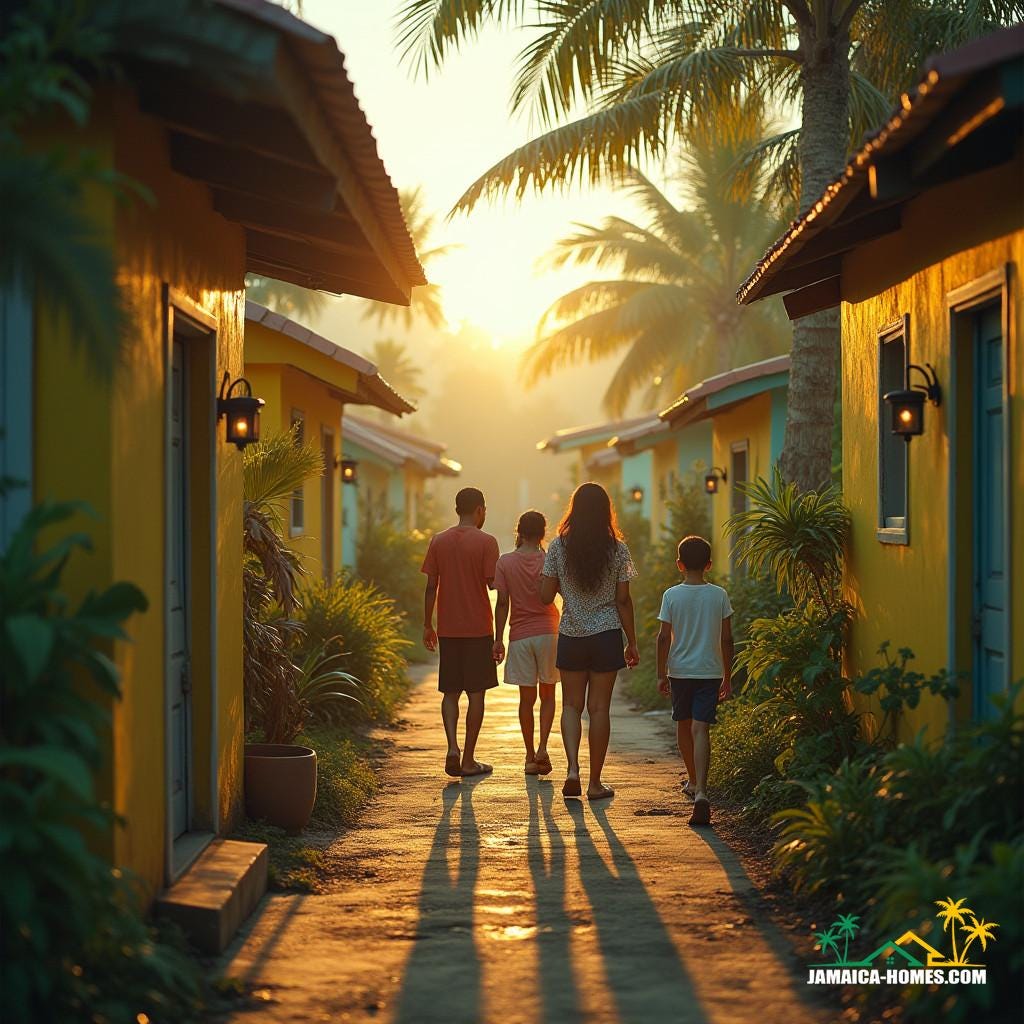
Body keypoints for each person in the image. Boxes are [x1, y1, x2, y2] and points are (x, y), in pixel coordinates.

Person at [540, 482, 639, 801]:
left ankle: (572, 770)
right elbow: (624, 600)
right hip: (606, 635)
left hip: (571, 633)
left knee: (570, 705)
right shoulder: (618, 548)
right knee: (599, 709)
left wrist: (563, 589)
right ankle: (595, 783)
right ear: (605, 511)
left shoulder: (558, 546)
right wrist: (632, 642)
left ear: (575, 509)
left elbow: (544, 595)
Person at [422, 487, 500, 779]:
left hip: (449, 628)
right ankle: (468, 759)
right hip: (478, 627)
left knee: (450, 691)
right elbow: (494, 585)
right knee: (476, 693)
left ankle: (452, 747)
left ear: (458, 509)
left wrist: (427, 624)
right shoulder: (487, 542)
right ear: (479, 510)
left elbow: (431, 586)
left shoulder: (438, 541)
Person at [656, 535, 734, 827]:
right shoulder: (719, 595)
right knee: (701, 729)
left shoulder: (671, 595)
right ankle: (701, 789)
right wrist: (728, 676)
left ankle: (691, 779)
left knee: (683, 725)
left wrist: (660, 673)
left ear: (679, 564)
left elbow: (663, 636)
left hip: (680, 671)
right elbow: (727, 639)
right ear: (709, 565)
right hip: (710, 671)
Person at [493, 510, 560, 777]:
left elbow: (501, 603)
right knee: (548, 695)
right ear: (543, 533)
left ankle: (530, 756)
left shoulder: (505, 562)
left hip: (520, 636)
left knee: (526, 700)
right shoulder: (549, 560)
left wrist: (498, 639)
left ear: (518, 531)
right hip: (549, 633)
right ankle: (544, 747)